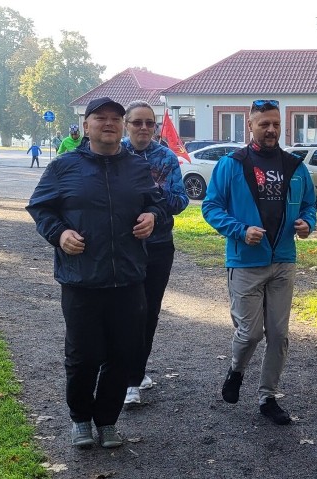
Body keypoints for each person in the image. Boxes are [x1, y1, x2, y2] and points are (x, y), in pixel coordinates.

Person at [26, 97, 166, 449]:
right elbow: (40, 207)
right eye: (100, 118)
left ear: (122, 126)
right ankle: (80, 419)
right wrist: (59, 234)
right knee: (83, 355)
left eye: (115, 119)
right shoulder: (64, 167)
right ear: (86, 125)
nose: (109, 123)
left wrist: (152, 217)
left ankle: (107, 421)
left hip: (129, 278)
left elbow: (156, 204)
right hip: (82, 279)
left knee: (124, 354)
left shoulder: (136, 167)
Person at [202, 99, 316, 425]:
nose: (271, 130)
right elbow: (211, 207)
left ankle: (268, 397)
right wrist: (240, 230)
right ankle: (236, 370)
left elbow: (309, 205)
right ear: (249, 125)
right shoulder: (232, 164)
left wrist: (308, 223)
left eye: (276, 124)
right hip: (245, 261)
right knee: (250, 333)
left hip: (283, 260)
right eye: (264, 123)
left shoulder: (295, 167)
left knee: (278, 335)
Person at [120, 100, 189, 406]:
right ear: (126, 124)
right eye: (138, 122)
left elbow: (180, 200)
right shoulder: (114, 154)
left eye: (150, 123)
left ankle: (134, 376)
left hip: (158, 246)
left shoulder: (165, 157)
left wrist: (152, 200)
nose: (145, 128)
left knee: (147, 312)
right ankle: (125, 374)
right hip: (120, 246)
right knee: (123, 311)